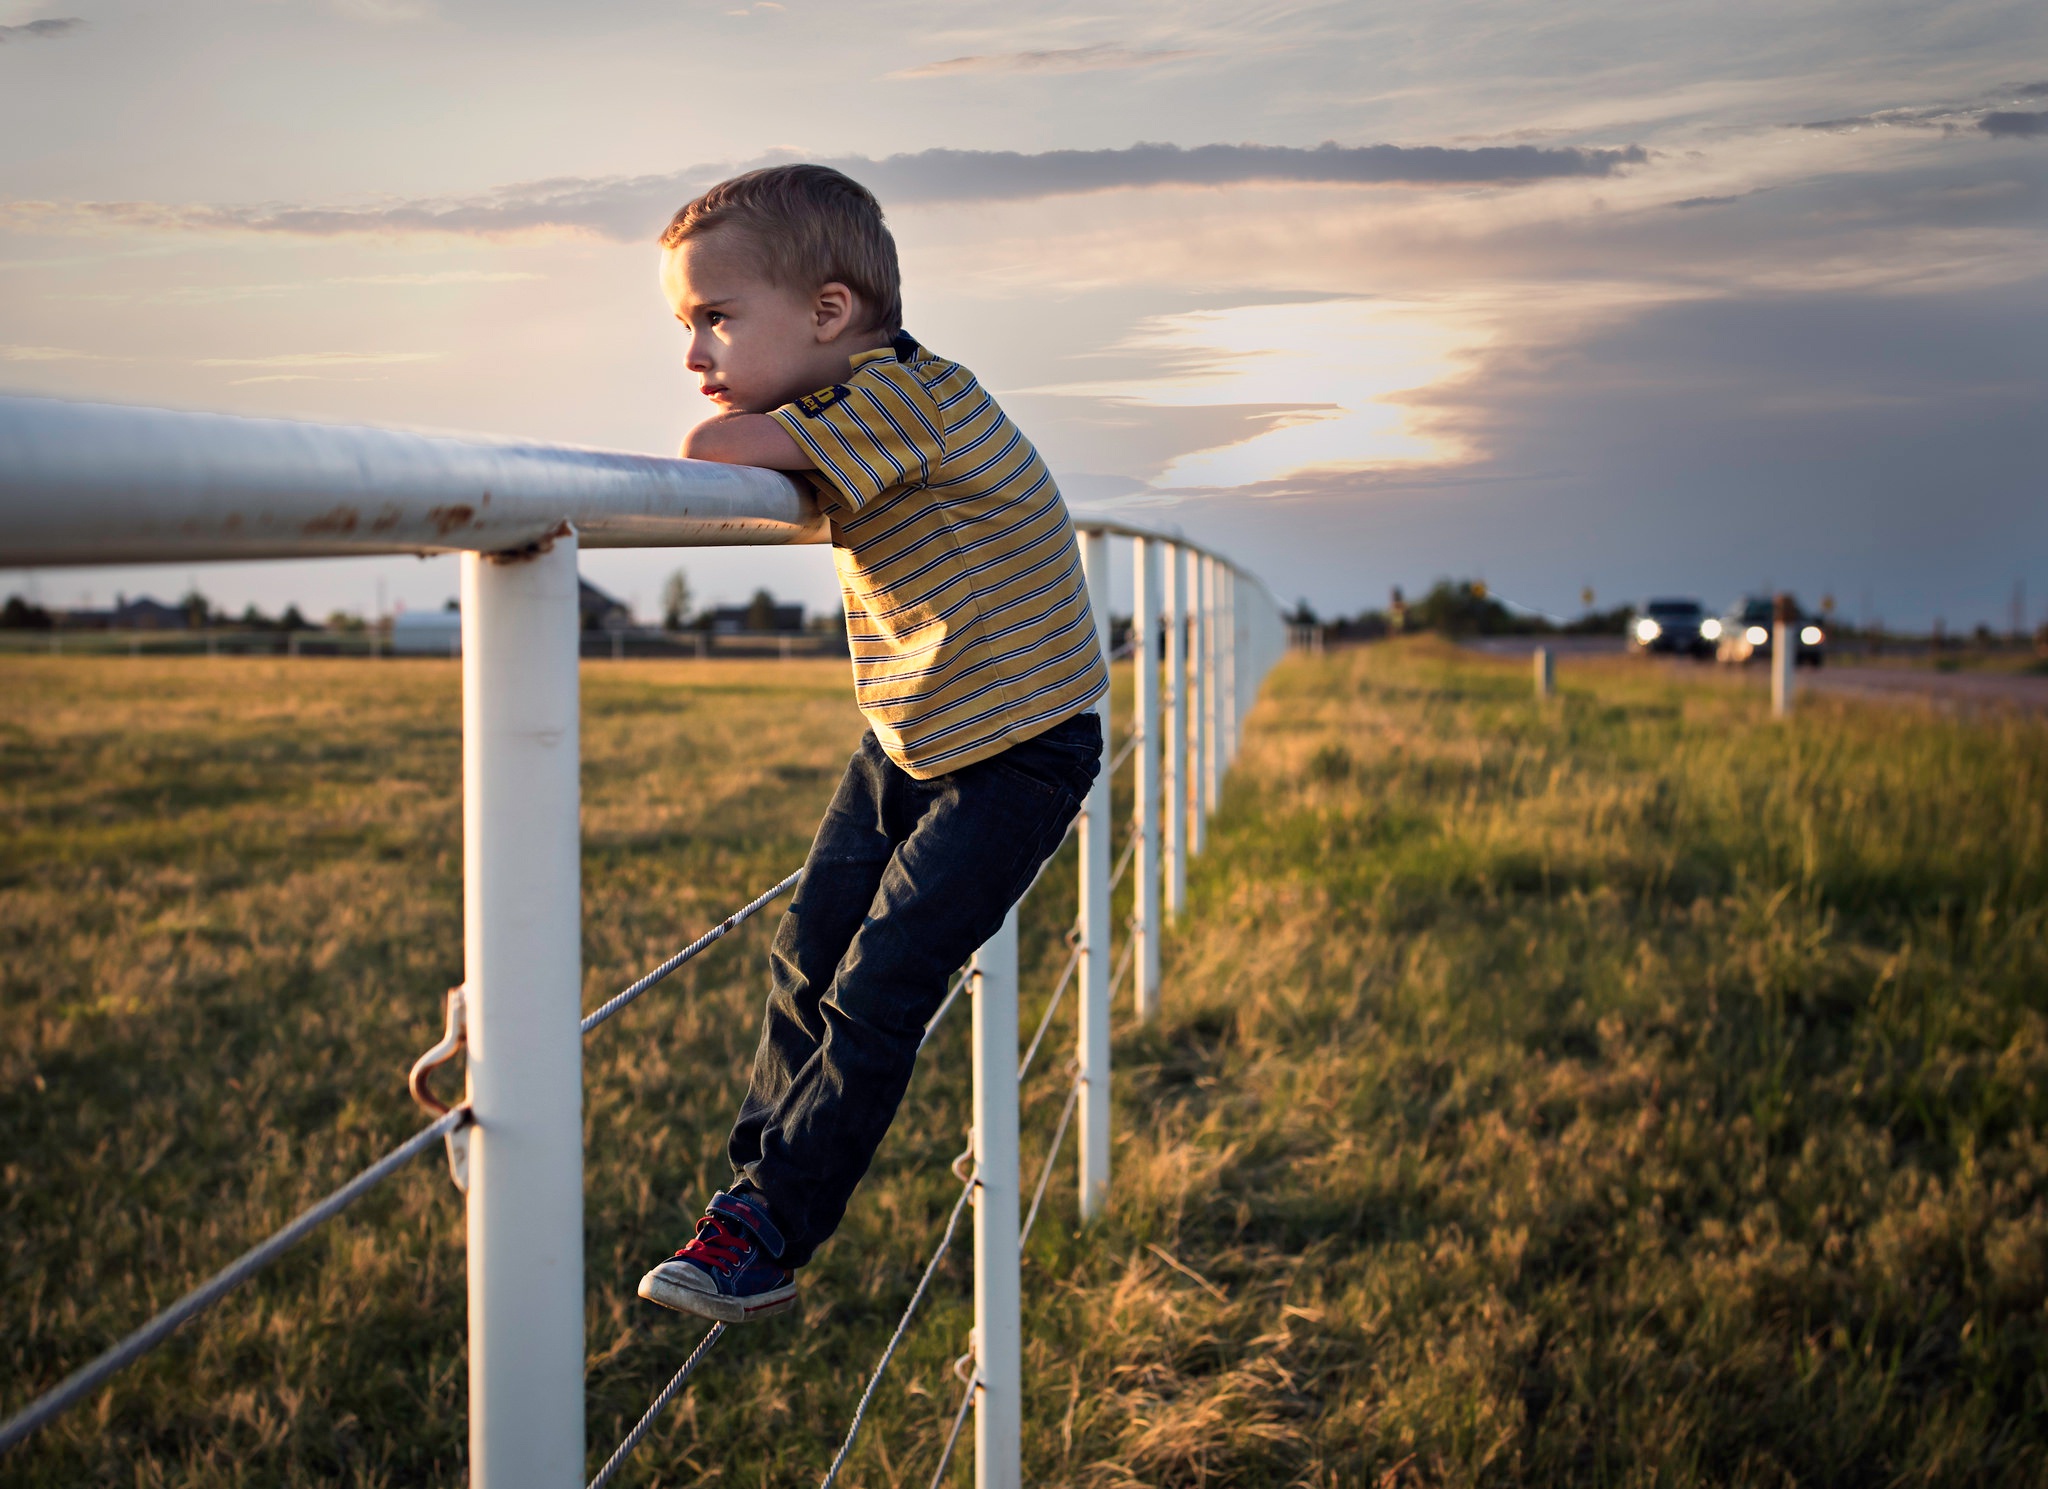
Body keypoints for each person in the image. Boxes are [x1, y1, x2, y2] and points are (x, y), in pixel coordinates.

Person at [635, 164, 1107, 1323]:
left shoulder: (903, 397)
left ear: (830, 315)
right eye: (685, 324)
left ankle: (772, 1229)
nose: (694, 352)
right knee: (807, 953)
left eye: (715, 318)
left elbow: (715, 448)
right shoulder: (866, 401)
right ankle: (750, 1191)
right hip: (917, 724)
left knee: (880, 984)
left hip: (1019, 744)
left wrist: (731, 418)